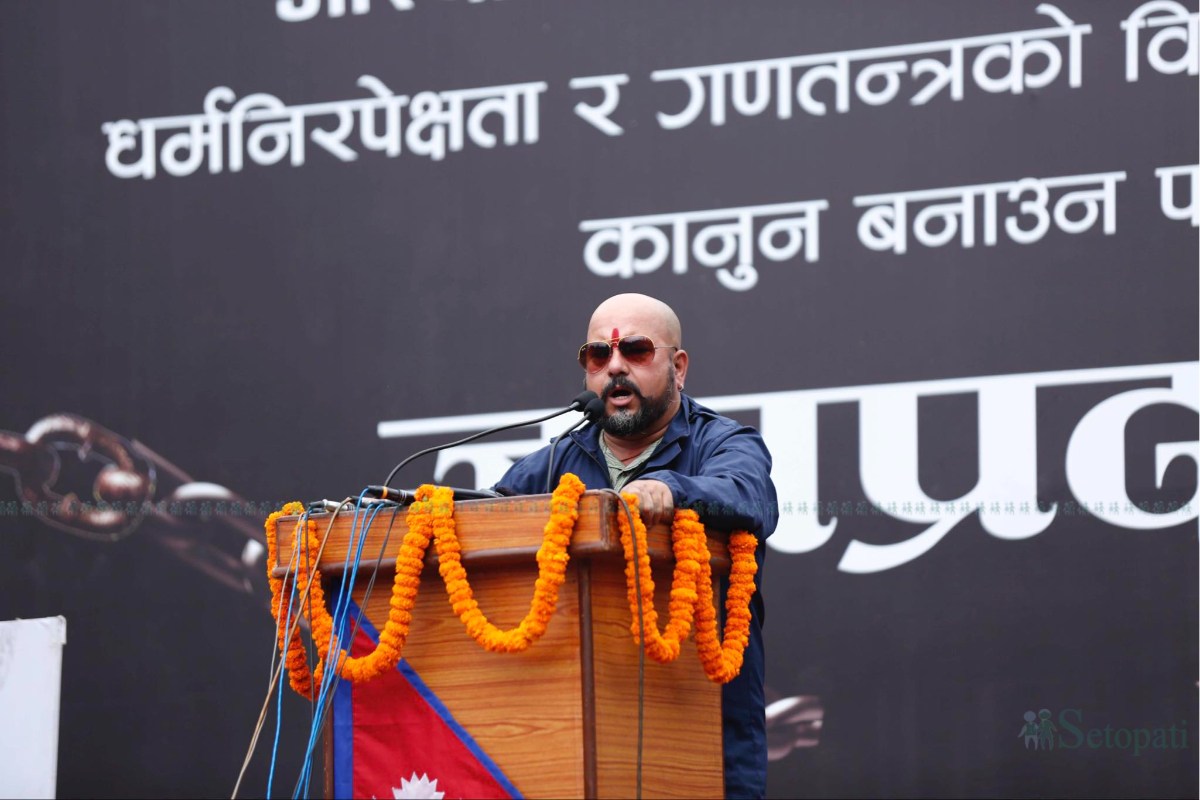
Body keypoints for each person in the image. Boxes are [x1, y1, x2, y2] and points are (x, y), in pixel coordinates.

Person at [493, 293, 778, 799]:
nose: (615, 367)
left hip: (700, 738)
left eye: (637, 350)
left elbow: (750, 497)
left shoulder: (723, 443)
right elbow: (486, 516)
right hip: (579, 743)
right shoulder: (554, 461)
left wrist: (669, 489)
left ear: (678, 367)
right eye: (598, 354)